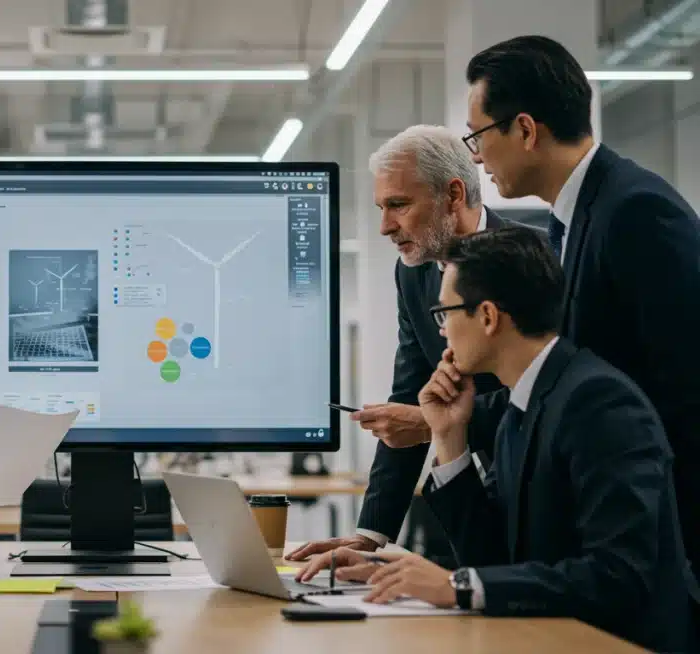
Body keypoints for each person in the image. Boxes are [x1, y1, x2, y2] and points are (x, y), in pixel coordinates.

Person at [297, 228, 697, 653]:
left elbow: (617, 575)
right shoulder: (522, 404)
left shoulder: (599, 403)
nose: (442, 333)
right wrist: (449, 437)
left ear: (487, 316)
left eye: (444, 314)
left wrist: (456, 584)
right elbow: (492, 561)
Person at [461, 34, 700, 570]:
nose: (476, 158)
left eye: (477, 136)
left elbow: (686, 389)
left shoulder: (635, 210)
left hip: (660, 550)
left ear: (525, 129)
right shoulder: (570, 223)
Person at [287, 125, 507, 560]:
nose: (386, 226)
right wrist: (370, 535)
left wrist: (434, 422)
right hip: (465, 497)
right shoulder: (413, 271)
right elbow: (410, 393)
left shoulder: (535, 261)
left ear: (453, 194)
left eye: (399, 205)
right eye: (381, 208)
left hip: (543, 490)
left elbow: (544, 398)